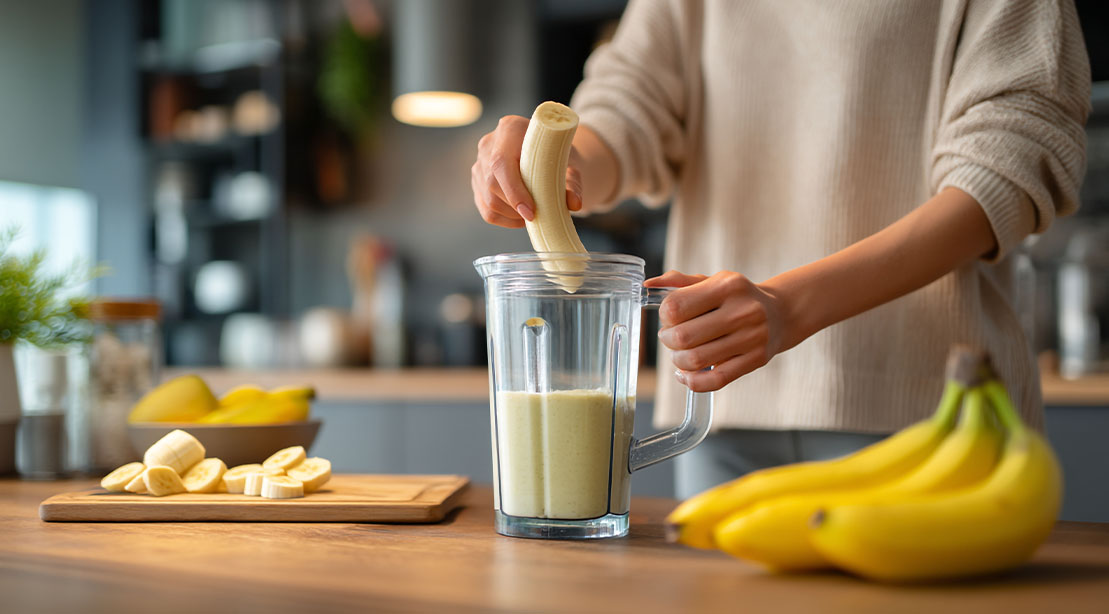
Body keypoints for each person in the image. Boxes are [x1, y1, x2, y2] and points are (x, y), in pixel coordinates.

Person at [470, 0, 1091, 499]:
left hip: (932, 408)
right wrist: (557, 165)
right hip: (719, 419)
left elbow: (1004, 173)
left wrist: (788, 307)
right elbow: (628, 112)